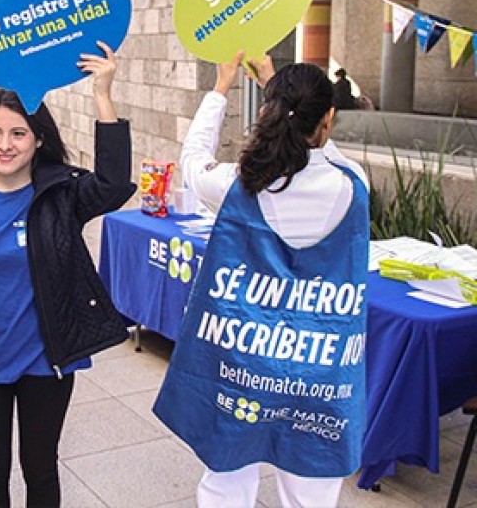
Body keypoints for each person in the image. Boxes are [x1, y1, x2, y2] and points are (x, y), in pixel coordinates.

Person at [0, 40, 135, 507]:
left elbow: (113, 186)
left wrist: (103, 95)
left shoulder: (61, 195)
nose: (5, 144)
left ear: (38, 140)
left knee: (39, 468)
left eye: (17, 134)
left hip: (45, 358)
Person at [153, 51, 370, 508]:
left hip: (242, 366)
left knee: (226, 479)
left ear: (270, 115)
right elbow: (325, 151)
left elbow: (193, 160)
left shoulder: (236, 183)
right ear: (328, 120)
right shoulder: (354, 184)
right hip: (319, 374)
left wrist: (221, 87)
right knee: (311, 486)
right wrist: (283, 90)